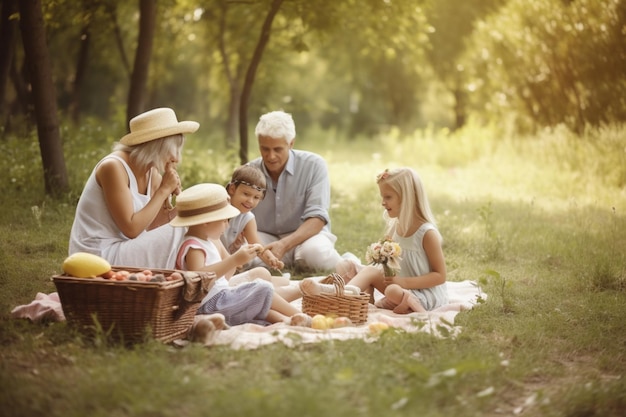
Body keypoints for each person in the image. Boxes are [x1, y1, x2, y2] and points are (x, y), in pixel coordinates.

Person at [304, 167, 448, 313]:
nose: (383, 203)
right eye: (382, 197)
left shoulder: (427, 234)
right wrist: (374, 279)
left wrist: (403, 282)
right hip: (400, 287)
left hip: (424, 294)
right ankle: (339, 294)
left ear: (407, 197)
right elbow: (386, 267)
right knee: (370, 271)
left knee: (392, 291)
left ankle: (408, 302)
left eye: (388, 197)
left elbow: (440, 276)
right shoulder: (395, 228)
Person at [68, 107, 198, 269]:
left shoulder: (153, 174)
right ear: (156, 147)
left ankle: (210, 281)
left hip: (123, 249)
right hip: (97, 256)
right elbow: (131, 229)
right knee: (177, 231)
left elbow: (151, 225)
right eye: (173, 150)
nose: (177, 158)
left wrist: (182, 209)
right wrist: (163, 190)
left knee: (193, 223)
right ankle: (202, 288)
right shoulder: (113, 167)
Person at [170, 183, 308, 327]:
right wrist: (234, 259)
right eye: (224, 221)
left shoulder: (206, 241)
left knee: (257, 298)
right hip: (210, 305)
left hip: (220, 299)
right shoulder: (194, 246)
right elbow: (198, 279)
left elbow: (222, 278)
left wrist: (236, 261)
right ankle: (301, 315)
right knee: (262, 288)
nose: (227, 226)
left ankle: (285, 320)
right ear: (207, 222)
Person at [247, 110, 346, 272]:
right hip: (265, 238)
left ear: (291, 143)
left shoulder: (314, 165)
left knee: (315, 254)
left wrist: (284, 245)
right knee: (242, 253)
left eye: (277, 149)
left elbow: (317, 218)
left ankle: (349, 264)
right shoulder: (249, 171)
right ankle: (292, 262)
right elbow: (237, 218)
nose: (271, 156)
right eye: (265, 149)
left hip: (307, 238)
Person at [222, 164, 287, 279]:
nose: (250, 201)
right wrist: (230, 261)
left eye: (256, 197)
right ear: (232, 189)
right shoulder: (219, 211)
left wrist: (271, 259)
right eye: (246, 194)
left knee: (256, 264)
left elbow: (257, 246)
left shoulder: (247, 218)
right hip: (212, 259)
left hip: (229, 263)